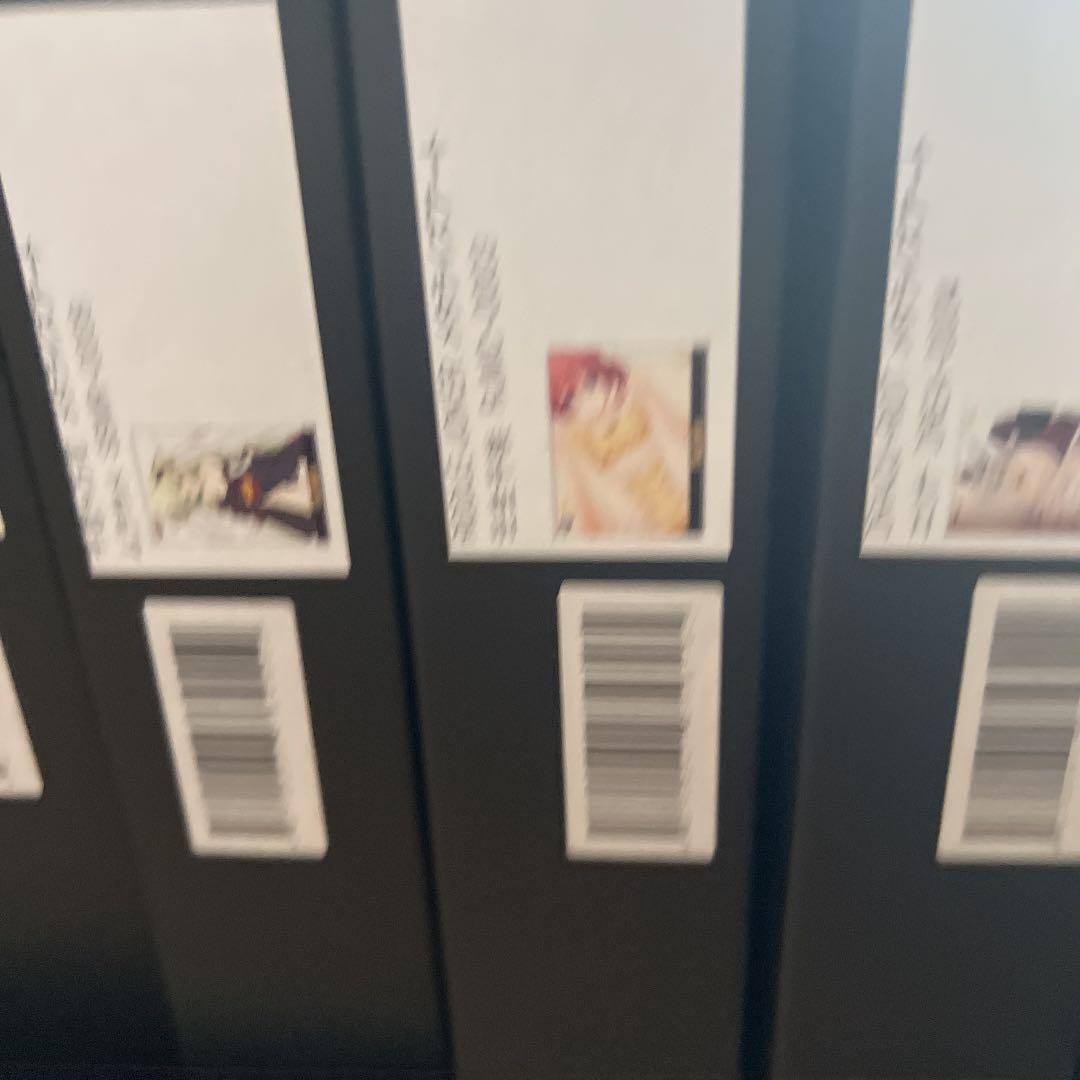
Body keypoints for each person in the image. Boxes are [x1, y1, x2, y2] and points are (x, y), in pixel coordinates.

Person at [150, 429, 327, 539]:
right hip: (245, 493)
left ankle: (299, 463)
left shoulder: (203, 464)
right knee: (268, 493)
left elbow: (220, 461)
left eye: (181, 481)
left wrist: (220, 468)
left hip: (249, 474)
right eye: (187, 497)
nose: (189, 489)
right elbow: (222, 491)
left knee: (272, 472)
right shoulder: (210, 498)